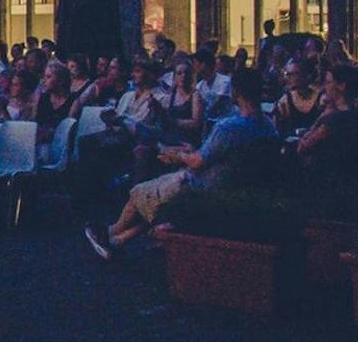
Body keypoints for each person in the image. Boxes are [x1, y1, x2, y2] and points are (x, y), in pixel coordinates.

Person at [85, 68, 277, 260]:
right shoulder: (269, 126)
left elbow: (197, 162)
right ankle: (117, 241)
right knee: (156, 197)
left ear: (236, 92)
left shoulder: (228, 128)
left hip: (202, 185)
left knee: (140, 192)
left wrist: (178, 156)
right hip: (234, 186)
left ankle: (110, 232)